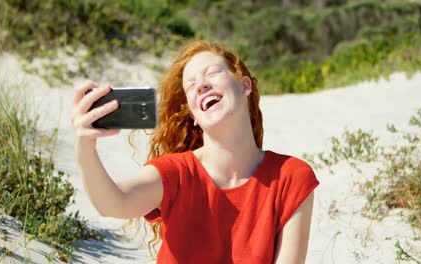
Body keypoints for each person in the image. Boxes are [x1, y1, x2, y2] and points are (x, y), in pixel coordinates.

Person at [71, 40, 319, 263]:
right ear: (194, 116)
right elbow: (114, 203)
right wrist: (85, 146)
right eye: (191, 85)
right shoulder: (175, 173)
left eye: (212, 73)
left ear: (244, 86)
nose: (201, 85)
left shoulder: (291, 177)